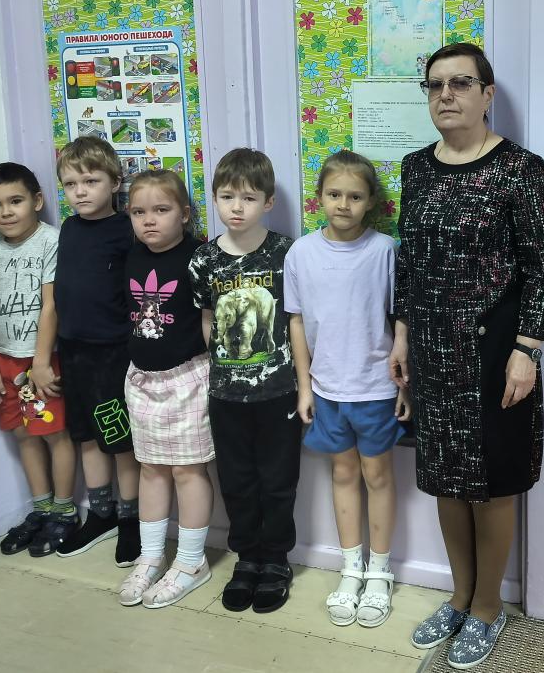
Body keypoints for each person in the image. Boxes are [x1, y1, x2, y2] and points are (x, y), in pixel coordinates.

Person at [391, 43, 544, 669]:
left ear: (487, 94)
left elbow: (543, 269)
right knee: (444, 478)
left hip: (496, 351)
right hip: (432, 349)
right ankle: (459, 596)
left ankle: (488, 606)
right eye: (434, 84)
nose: (446, 95)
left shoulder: (520, 168)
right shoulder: (416, 168)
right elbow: (409, 263)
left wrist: (527, 351)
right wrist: (402, 338)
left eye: (461, 83)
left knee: (491, 483)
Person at [285, 150, 411, 628]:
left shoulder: (385, 251)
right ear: (319, 198)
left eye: (355, 196)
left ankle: (380, 571)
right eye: (334, 194)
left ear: (371, 201)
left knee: (377, 476)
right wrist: (304, 387)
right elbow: (297, 323)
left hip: (375, 388)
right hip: (326, 390)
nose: (343, 204)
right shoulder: (301, 253)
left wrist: (404, 386)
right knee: (342, 475)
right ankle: (351, 568)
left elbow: (401, 321)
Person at [188, 148, 299, 614]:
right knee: (236, 480)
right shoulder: (204, 259)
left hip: (279, 392)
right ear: (214, 199)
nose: (237, 207)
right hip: (226, 394)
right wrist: (224, 368)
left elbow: (297, 319)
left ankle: (276, 561)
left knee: (278, 480)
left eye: (249, 198)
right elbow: (207, 320)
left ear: (268, 202)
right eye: (227, 197)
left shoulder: (287, 253)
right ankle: (247, 558)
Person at [116, 170, 215, 609]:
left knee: (187, 470)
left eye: (161, 210)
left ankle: (192, 561)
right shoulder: (131, 257)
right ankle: (151, 555)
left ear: (185, 214)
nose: (149, 220)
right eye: (139, 212)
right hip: (142, 380)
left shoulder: (199, 257)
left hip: (187, 379)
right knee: (151, 468)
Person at [0, 163, 77, 556]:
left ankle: (64, 511)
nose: (6, 212)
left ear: (36, 201)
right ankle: (42, 508)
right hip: (4, 361)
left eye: (15, 201)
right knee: (22, 433)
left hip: (43, 361)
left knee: (53, 433)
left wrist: (41, 363)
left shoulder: (52, 241)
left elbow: (51, 305)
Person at [52, 136, 142, 565]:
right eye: (71, 184)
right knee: (86, 436)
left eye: (90, 181)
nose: (80, 192)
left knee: (119, 441)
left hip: (113, 353)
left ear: (115, 183)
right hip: (73, 351)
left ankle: (130, 519)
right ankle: (101, 513)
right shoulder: (68, 229)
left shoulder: (127, 230)